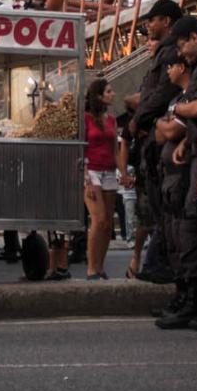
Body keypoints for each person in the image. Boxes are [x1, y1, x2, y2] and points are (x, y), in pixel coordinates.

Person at [155, 15, 197, 328]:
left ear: (195, 37)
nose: (180, 54)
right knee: (183, 231)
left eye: (182, 45)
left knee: (196, 230)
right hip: (194, 156)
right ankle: (191, 297)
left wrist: (176, 111)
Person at [128, 0, 185, 282]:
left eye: (152, 20)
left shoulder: (171, 52)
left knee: (166, 209)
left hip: (161, 139)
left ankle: (163, 267)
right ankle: (160, 266)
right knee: (160, 208)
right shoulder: (163, 53)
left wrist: (139, 118)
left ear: (166, 21)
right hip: (153, 139)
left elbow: (160, 94)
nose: (149, 26)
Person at [81, 78, 125, 280]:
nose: (113, 94)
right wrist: (86, 177)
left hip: (109, 171)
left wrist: (124, 173)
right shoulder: (85, 118)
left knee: (107, 223)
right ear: (99, 96)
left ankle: (100, 266)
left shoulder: (112, 120)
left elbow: (116, 151)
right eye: (108, 91)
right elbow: (81, 148)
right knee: (98, 220)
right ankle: (91, 267)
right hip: (92, 170)